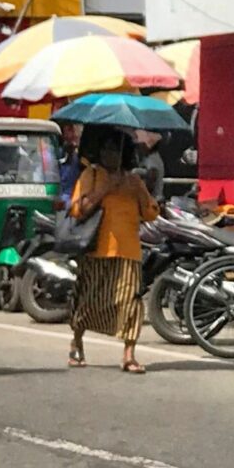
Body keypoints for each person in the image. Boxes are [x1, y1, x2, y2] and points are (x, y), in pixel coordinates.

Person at [66, 130, 160, 373]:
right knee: (89, 300)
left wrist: (144, 192)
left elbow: (150, 214)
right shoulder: (92, 175)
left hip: (129, 250)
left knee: (131, 302)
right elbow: (79, 210)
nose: (111, 155)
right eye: (107, 150)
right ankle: (76, 343)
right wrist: (105, 188)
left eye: (116, 150)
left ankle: (129, 355)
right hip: (97, 249)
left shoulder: (133, 181)